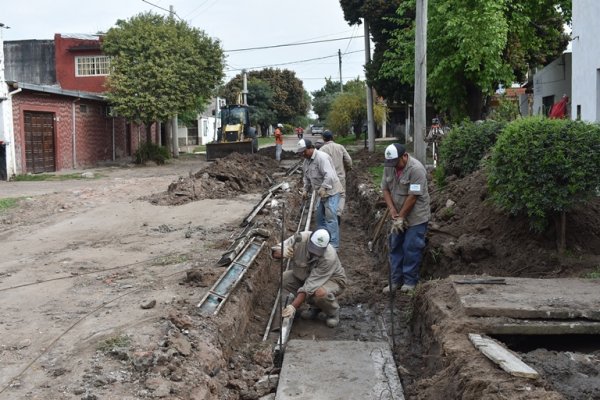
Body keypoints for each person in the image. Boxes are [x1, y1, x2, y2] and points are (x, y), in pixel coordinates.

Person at [271, 229, 347, 328]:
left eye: (318, 250)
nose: (314, 252)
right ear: (309, 240)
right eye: (312, 248)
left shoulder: (329, 257)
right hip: (307, 275)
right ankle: (315, 307)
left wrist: (293, 306)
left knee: (320, 293)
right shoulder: (299, 239)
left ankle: (332, 312)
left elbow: (310, 286)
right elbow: (275, 251)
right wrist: (280, 252)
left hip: (333, 280)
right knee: (285, 279)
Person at [381, 143, 430, 294]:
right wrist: (392, 210)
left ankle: (410, 281)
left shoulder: (416, 169)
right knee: (395, 245)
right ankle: (396, 280)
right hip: (397, 214)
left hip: (416, 216)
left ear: (404, 156)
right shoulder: (390, 165)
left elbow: (413, 196)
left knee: (411, 247)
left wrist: (401, 216)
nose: (394, 166)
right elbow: (385, 189)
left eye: (396, 162)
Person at [296, 138, 343, 248]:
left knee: (330, 218)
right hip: (319, 193)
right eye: (301, 152)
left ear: (310, 148)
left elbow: (330, 176)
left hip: (331, 191)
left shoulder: (321, 157)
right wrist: (305, 189)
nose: (302, 154)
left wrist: (323, 188)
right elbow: (306, 177)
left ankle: (333, 246)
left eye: (304, 151)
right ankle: (322, 241)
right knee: (319, 217)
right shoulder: (306, 162)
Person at [318, 130, 353, 224]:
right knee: (341, 195)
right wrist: (348, 168)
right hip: (340, 177)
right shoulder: (340, 147)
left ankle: (329, 214)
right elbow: (348, 160)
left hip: (327, 179)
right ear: (332, 137)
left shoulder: (322, 150)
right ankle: (337, 213)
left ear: (324, 139)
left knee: (328, 196)